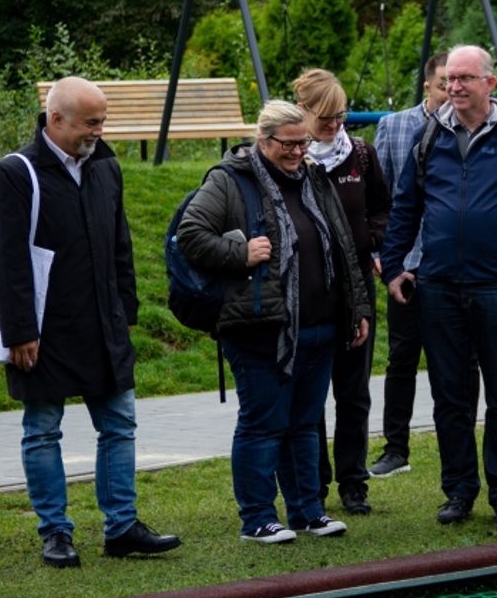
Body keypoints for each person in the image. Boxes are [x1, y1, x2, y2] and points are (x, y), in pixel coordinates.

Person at [0, 76, 181, 567]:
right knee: (42, 429)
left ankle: (122, 527)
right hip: (43, 329)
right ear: (56, 119)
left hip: (102, 322)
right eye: (91, 123)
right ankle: (56, 533)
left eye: (103, 121)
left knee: (120, 423)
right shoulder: (15, 173)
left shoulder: (106, 166)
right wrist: (20, 331)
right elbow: (6, 260)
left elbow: (120, 242)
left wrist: (126, 311)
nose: (99, 131)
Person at [380, 44, 497, 532]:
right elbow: (404, 209)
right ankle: (459, 489)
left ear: (490, 83)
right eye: (449, 79)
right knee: (450, 396)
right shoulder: (428, 137)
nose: (455, 87)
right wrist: (393, 268)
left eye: (465, 78)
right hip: (437, 285)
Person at [177, 100, 372, 544]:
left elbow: (343, 248)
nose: (298, 151)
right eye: (288, 144)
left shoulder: (314, 178)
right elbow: (190, 234)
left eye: (303, 142)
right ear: (262, 141)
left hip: (319, 325)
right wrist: (240, 254)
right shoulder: (230, 180)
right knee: (264, 423)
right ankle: (258, 518)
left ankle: (307, 511)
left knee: (304, 423)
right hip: (259, 325)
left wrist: (357, 309)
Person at [369, 52, 480, 480]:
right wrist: (384, 256)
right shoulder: (395, 126)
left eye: (456, 82)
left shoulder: (472, 131)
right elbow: (379, 197)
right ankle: (395, 446)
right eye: (441, 83)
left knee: (460, 361)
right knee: (401, 357)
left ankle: (460, 438)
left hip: (454, 267)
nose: (449, 92)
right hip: (406, 266)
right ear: (428, 86)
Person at [293, 68, 391, 515]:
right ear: (304, 111)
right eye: (326, 117)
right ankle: (313, 485)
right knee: (310, 394)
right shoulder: (292, 158)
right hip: (310, 291)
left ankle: (354, 482)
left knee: (353, 392)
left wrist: (373, 241)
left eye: (341, 116)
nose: (335, 125)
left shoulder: (362, 156)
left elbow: (381, 208)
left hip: (357, 290)